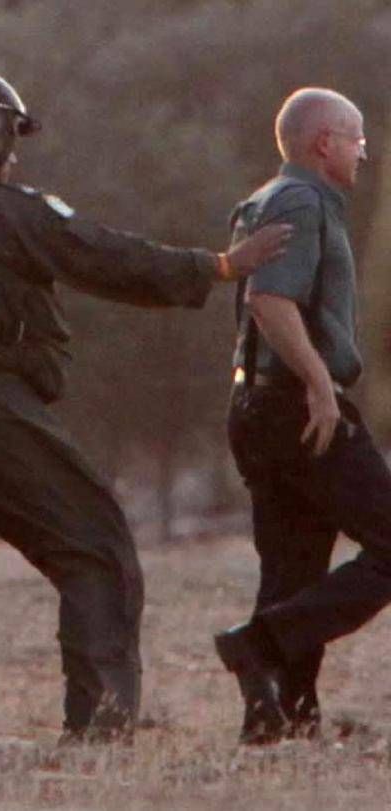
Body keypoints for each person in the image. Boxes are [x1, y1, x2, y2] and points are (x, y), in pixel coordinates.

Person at [0, 68, 290, 741]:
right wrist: (216, 267)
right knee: (96, 549)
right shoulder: (12, 211)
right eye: (10, 138)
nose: (14, 155)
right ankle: (99, 725)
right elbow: (105, 257)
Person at [214, 88, 376, 744]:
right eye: (356, 138)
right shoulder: (301, 202)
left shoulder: (267, 199)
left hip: (260, 406)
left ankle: (281, 717)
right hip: (295, 405)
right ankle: (258, 643)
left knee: (292, 566)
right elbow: (270, 300)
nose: (364, 151)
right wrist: (319, 385)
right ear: (323, 142)